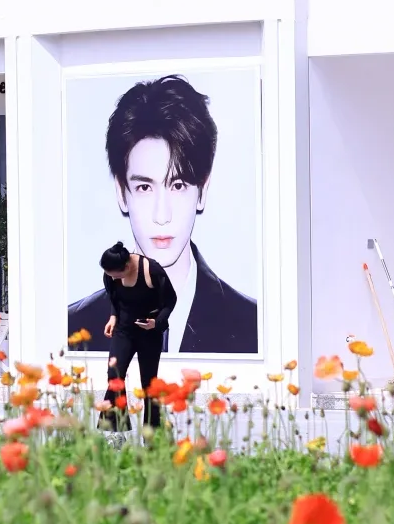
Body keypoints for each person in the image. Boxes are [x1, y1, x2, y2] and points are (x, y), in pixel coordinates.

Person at [68, 75, 258, 353]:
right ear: (121, 192)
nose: (162, 215)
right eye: (144, 187)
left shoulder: (252, 325)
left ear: (202, 190)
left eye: (178, 185)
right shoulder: (75, 326)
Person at [96, 241, 177, 431]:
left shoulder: (152, 270)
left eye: (116, 275)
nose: (112, 278)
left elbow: (170, 300)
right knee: (114, 376)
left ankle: (152, 432)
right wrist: (113, 317)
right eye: (109, 275)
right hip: (124, 330)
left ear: (127, 266)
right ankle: (115, 429)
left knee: (149, 383)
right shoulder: (111, 272)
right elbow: (114, 297)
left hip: (149, 331)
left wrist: (156, 323)